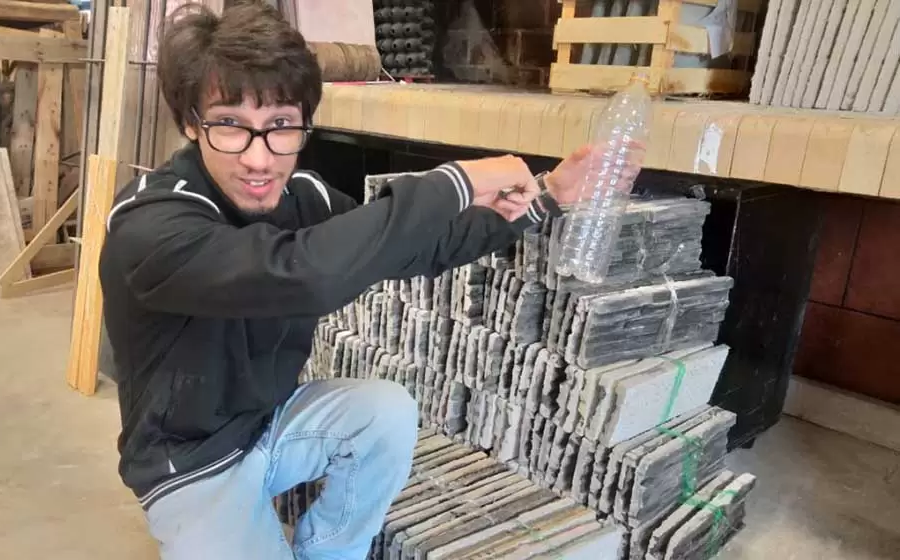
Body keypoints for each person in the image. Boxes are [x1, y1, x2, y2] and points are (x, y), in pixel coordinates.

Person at [99, 2, 594, 559]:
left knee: (384, 414)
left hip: (266, 426)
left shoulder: (301, 196)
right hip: (191, 465)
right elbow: (299, 273)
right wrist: (453, 181)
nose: (260, 159)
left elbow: (406, 246)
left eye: (281, 125)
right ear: (192, 123)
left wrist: (545, 198)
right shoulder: (151, 223)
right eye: (231, 125)